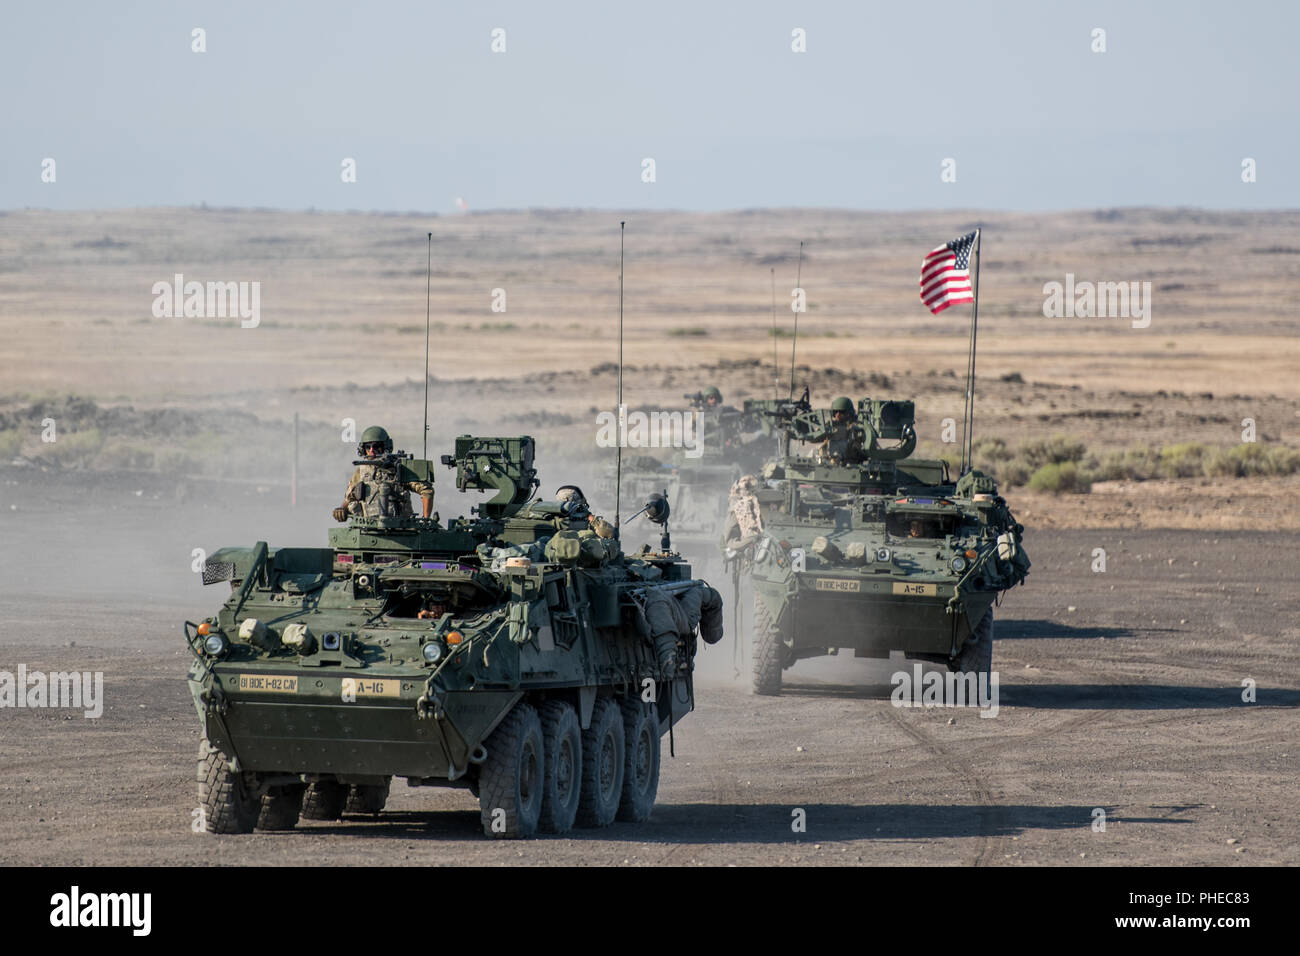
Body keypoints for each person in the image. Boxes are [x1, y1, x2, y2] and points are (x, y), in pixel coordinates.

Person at [332, 425, 434, 521]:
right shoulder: (361, 472)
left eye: (376, 446)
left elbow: (426, 491)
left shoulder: (398, 469)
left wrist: (425, 520)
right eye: (368, 447)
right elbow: (349, 498)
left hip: (399, 528)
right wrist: (341, 510)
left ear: (385, 446)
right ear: (363, 449)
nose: (372, 450)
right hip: (369, 528)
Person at [817, 397, 865, 463]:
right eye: (836, 412)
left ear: (848, 413)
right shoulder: (831, 425)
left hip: (851, 459)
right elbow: (815, 437)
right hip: (832, 458)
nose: (838, 415)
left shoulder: (855, 426)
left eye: (842, 412)